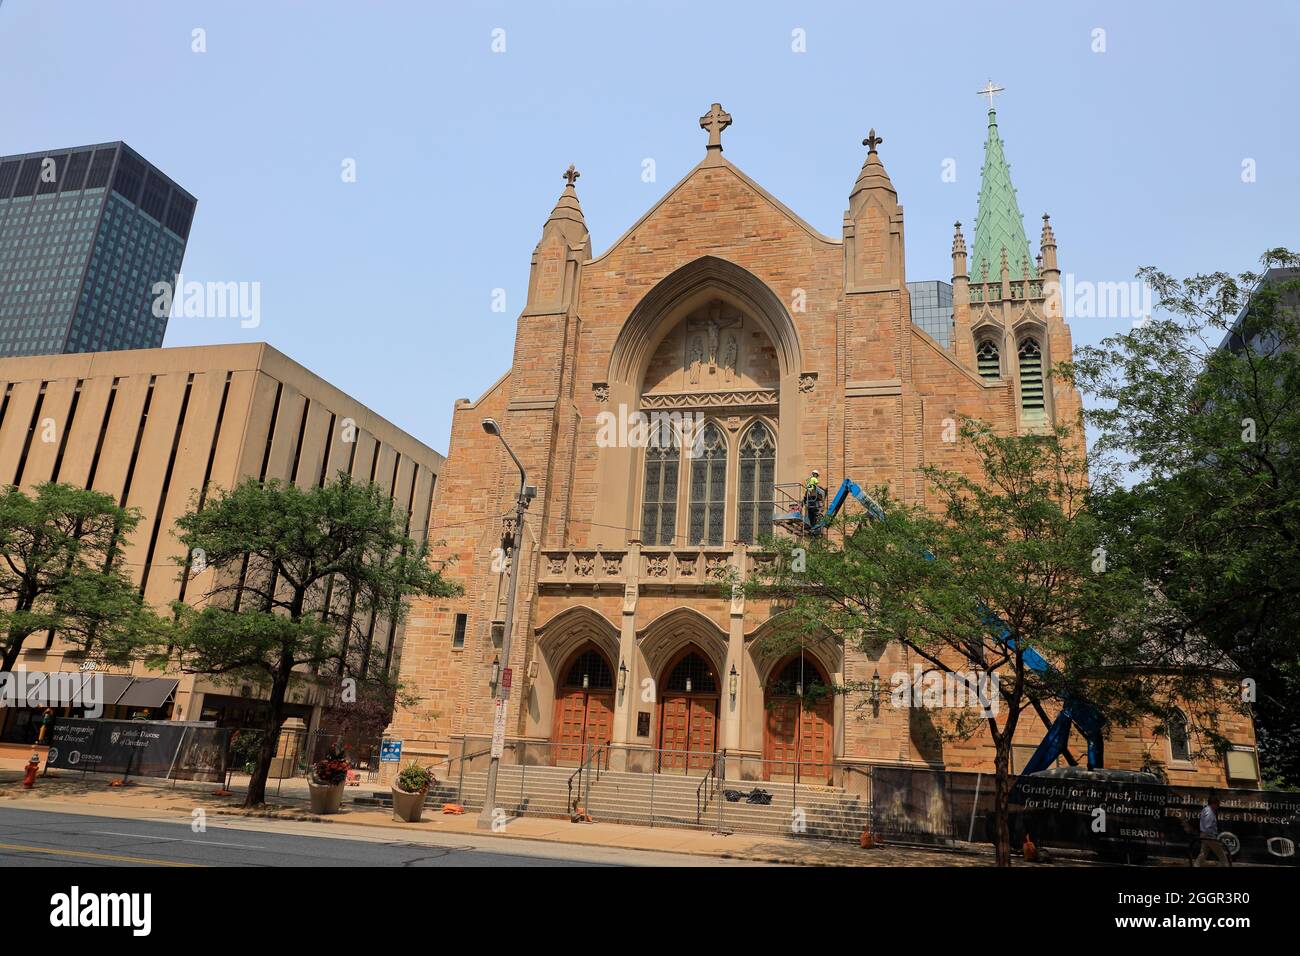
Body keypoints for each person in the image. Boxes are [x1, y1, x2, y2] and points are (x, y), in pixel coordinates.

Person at [1195, 793, 1232, 866]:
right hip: (1209, 836)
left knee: (1203, 853)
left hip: (1204, 835)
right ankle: (1226, 865)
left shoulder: (1205, 809)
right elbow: (1208, 826)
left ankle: (1196, 865)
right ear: (1213, 804)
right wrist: (1213, 837)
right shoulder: (1210, 812)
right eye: (1217, 804)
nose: (1218, 806)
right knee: (1221, 853)